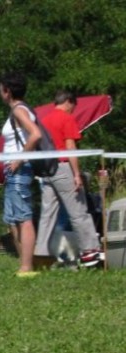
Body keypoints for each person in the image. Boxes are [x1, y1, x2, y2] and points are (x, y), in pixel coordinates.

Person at [34, 91, 103, 267]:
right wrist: (77, 174)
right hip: (63, 167)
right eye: (73, 106)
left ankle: (41, 254)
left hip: (47, 170)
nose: (73, 109)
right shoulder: (66, 118)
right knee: (78, 211)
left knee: (47, 215)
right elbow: (70, 147)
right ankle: (90, 251)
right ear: (69, 102)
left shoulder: (44, 120)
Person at [0, 72, 42, 277]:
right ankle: (23, 263)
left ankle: (27, 267)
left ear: (7, 91)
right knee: (11, 218)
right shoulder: (18, 110)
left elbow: (35, 134)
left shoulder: (19, 110)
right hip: (11, 170)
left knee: (23, 218)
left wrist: (19, 159)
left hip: (19, 169)